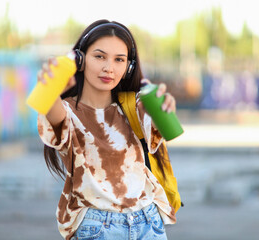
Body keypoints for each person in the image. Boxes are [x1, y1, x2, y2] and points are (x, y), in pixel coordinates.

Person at [37, 19, 177, 240]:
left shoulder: (134, 105)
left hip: (148, 221)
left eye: (119, 60)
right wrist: (51, 86)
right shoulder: (67, 112)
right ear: (81, 60)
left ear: (128, 67)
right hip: (98, 226)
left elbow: (159, 124)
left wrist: (165, 105)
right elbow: (51, 110)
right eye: (99, 56)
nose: (108, 68)